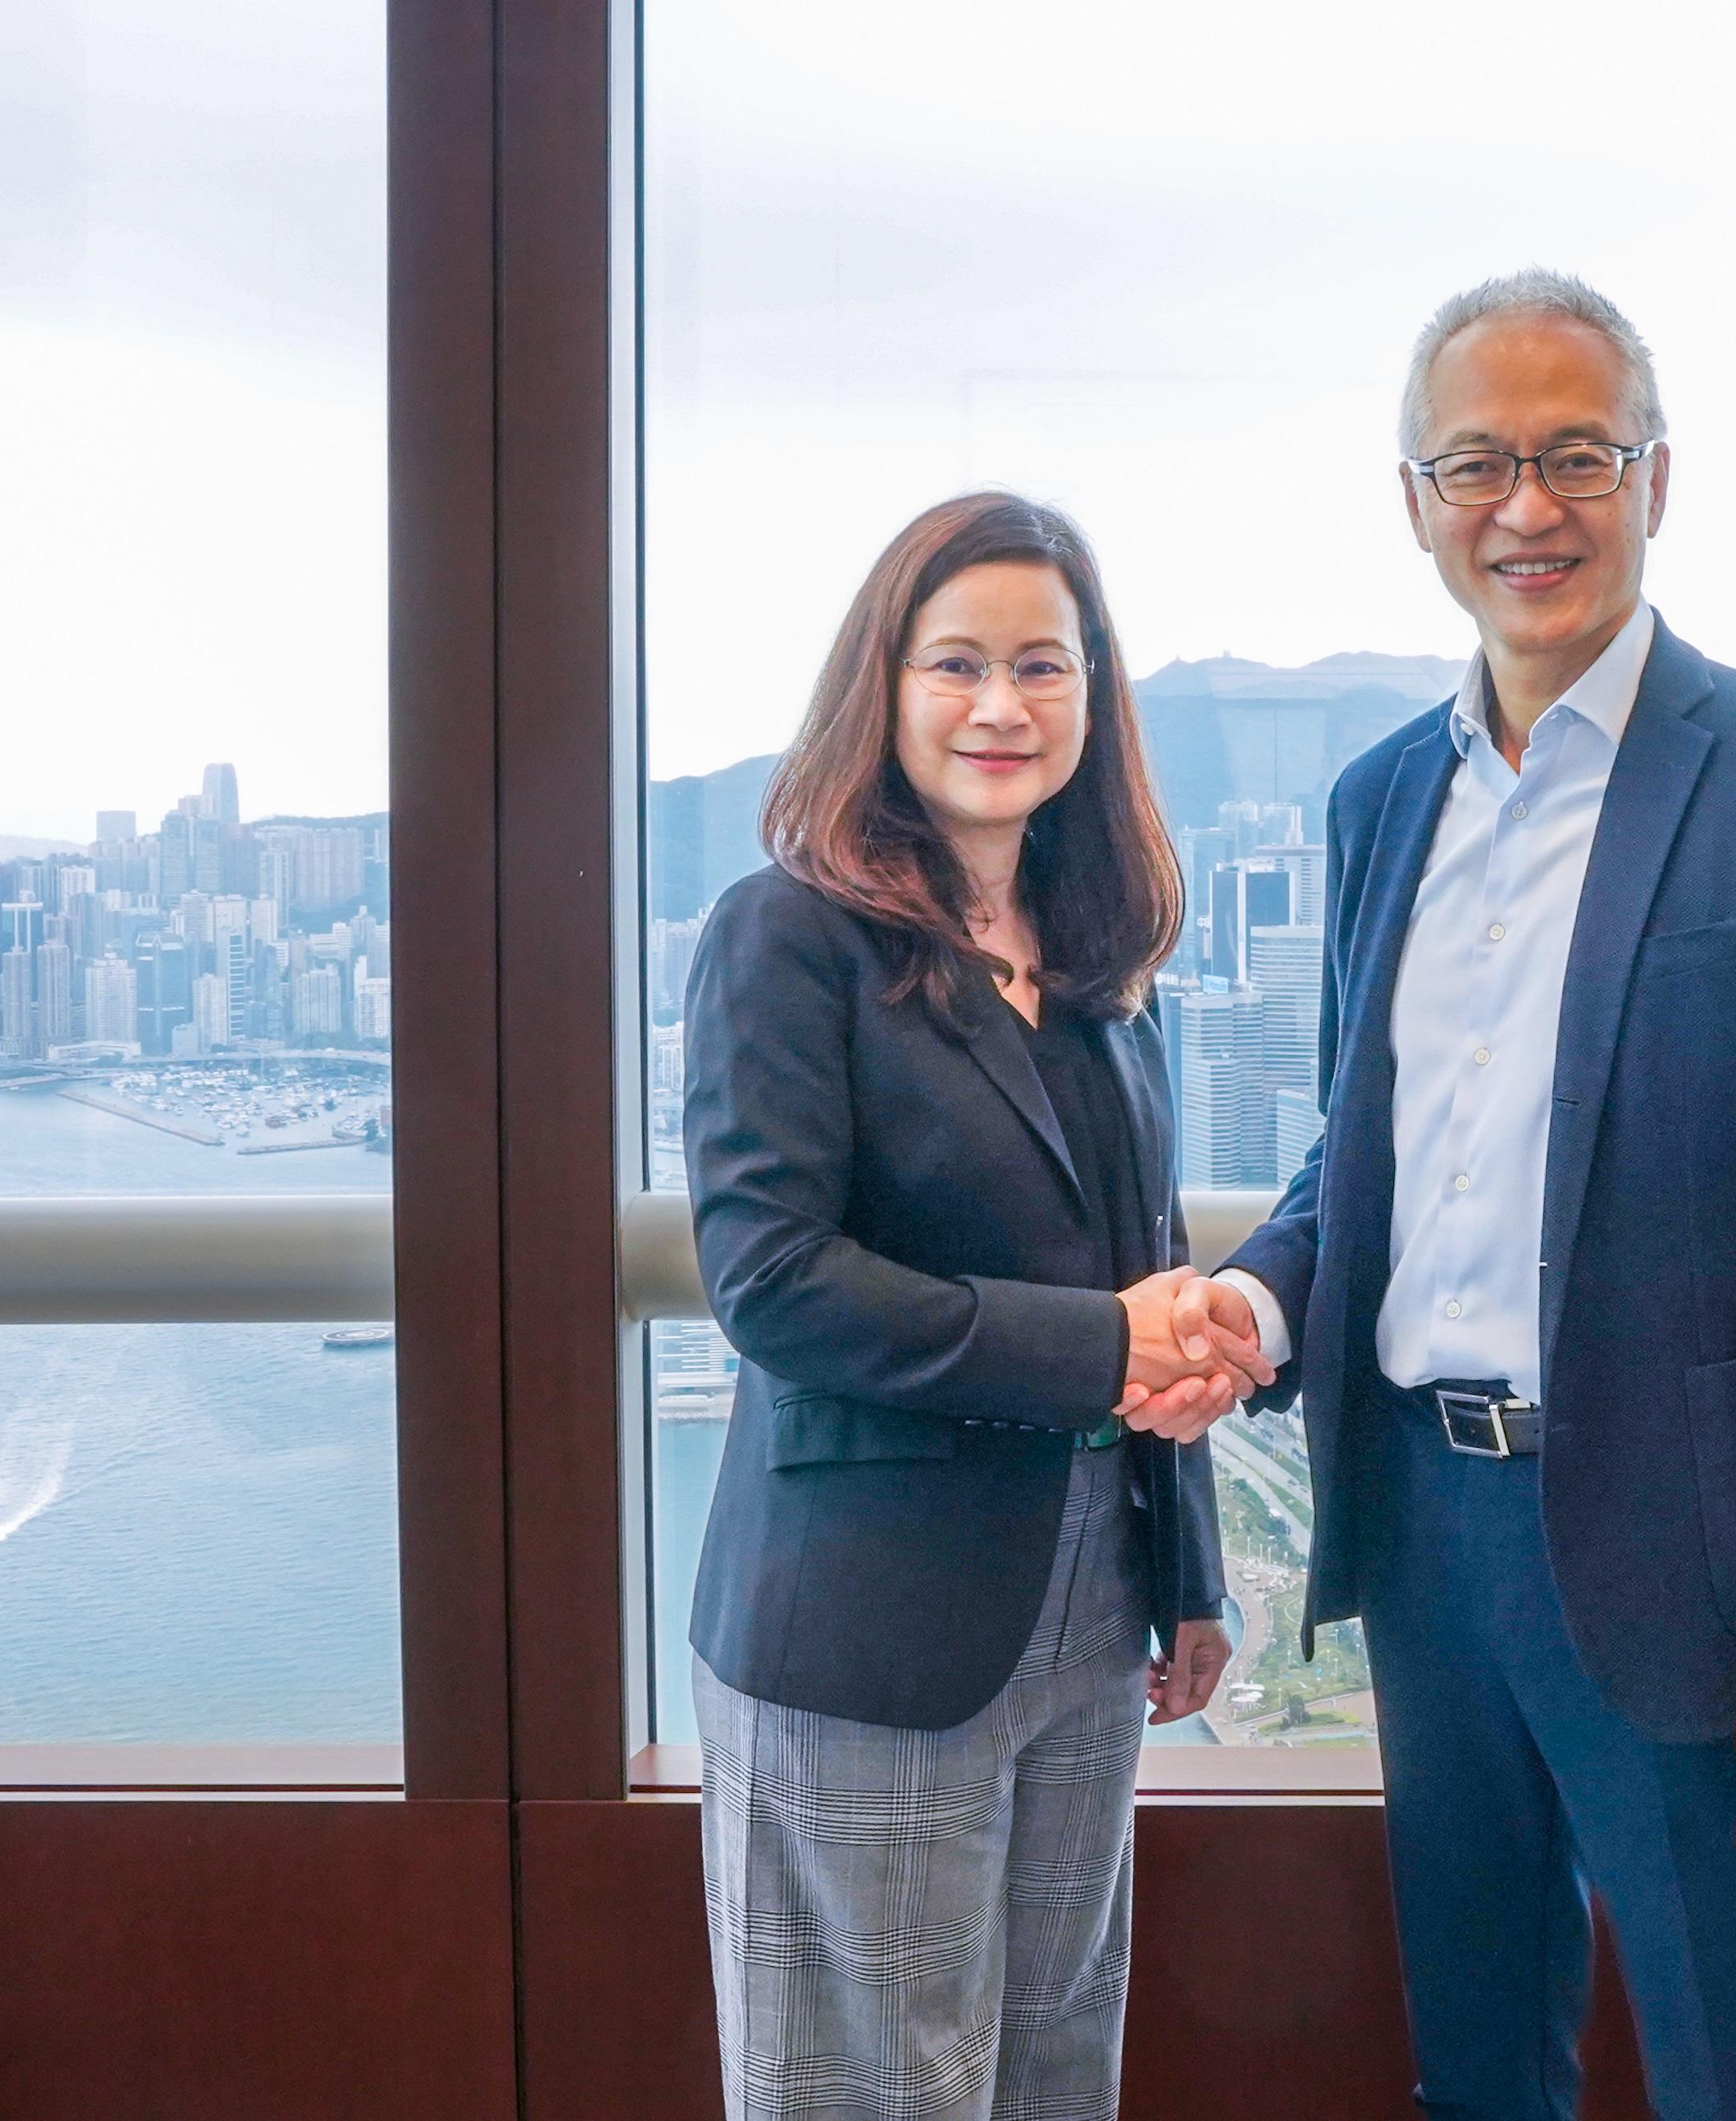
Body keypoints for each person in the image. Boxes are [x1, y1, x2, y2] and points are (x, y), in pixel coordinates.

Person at [1204, 271, 1736, 2120]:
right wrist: (1265, 1294)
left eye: (1574, 456)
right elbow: (1363, 1146)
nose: (1525, 506)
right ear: (1413, 500)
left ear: (1655, 477)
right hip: (1422, 1524)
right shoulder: (1384, 796)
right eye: (1476, 462)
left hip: (1678, 1550)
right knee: (1478, 2054)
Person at [683, 491, 1268, 2121]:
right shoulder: (784, 938)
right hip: (869, 1629)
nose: (1000, 705)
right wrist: (1103, 1347)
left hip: (1088, 1608)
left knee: (1052, 2070)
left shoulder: (1096, 968)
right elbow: (774, 1280)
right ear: (884, 687)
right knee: (873, 2091)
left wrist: (1189, 1562)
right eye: (956, 662)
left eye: (1040, 664)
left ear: (1093, 699)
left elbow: (1147, 1265)